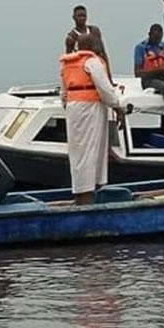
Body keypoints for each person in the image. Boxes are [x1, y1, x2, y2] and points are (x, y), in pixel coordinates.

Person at [61, 34, 124, 205]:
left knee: (77, 152)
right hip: (90, 108)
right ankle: (87, 197)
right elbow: (105, 88)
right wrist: (117, 106)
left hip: (73, 108)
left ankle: (79, 195)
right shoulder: (92, 62)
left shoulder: (67, 63)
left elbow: (63, 93)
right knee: (91, 150)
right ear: (91, 45)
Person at [133, 24, 164, 118]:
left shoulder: (163, 46)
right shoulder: (140, 48)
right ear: (149, 34)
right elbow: (137, 73)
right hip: (148, 79)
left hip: (163, 77)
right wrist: (159, 70)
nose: (157, 40)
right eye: (155, 37)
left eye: (159, 37)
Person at [65, 5, 112, 82]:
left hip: (99, 68)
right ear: (74, 17)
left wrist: (109, 78)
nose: (82, 18)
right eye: (79, 16)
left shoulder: (94, 30)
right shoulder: (71, 37)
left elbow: (103, 53)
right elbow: (68, 61)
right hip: (83, 71)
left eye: (84, 16)